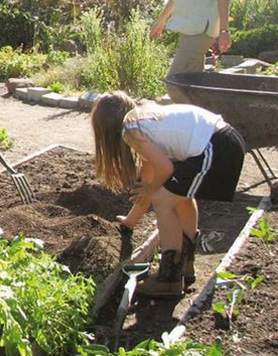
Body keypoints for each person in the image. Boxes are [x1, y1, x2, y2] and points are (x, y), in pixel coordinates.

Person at [91, 91, 245, 298]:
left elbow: (164, 169)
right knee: (179, 198)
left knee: (163, 200)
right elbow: (148, 180)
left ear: (106, 129)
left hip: (215, 148)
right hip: (223, 142)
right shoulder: (144, 122)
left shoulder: (131, 130)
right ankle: (185, 266)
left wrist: (151, 190)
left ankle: (169, 279)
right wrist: (130, 221)